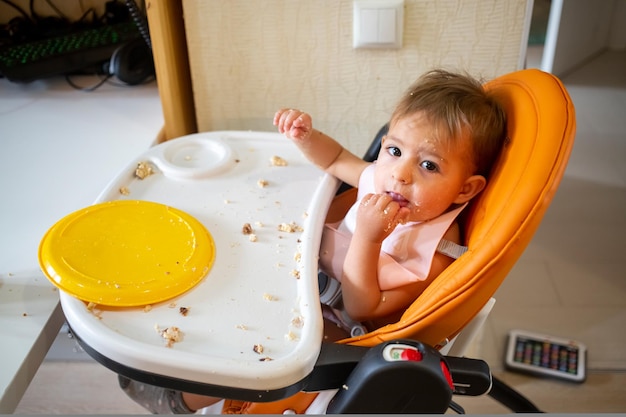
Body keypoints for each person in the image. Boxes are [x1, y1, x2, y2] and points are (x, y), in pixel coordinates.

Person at [119, 68, 507, 413]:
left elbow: (361, 306)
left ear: (464, 189)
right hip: (312, 280)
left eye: (428, 165)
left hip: (343, 330)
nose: (399, 174)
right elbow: (337, 158)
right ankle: (172, 356)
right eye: (394, 150)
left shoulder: (432, 253)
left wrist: (369, 239)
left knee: (260, 337)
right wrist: (306, 136)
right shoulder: (390, 180)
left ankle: (184, 397)